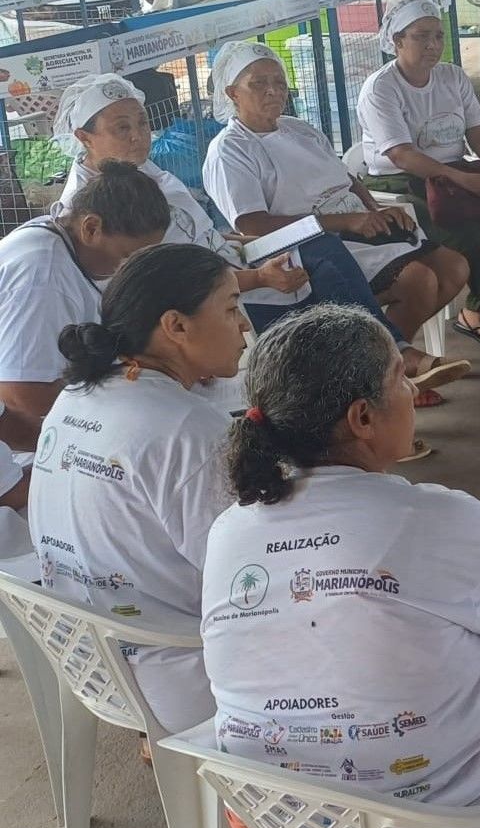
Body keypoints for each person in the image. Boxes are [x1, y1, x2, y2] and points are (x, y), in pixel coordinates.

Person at [203, 303, 480, 828]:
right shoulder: (437, 519)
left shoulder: (230, 529)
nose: (412, 390)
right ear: (362, 417)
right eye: (401, 377)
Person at [28, 242, 245, 733]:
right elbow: (245, 579)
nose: (244, 326)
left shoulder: (76, 394)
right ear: (176, 326)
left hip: (87, 661)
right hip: (179, 677)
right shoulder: (191, 431)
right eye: (232, 309)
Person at [205, 41, 472, 397]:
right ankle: (394, 368)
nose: (273, 91)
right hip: (306, 246)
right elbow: (252, 225)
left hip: (355, 226)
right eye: (259, 83)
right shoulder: (230, 149)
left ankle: (384, 372)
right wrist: (343, 222)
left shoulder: (299, 128)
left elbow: (348, 179)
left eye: (280, 83)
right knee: (418, 280)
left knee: (454, 267)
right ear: (232, 93)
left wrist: (374, 210)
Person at [357, 0, 480, 353]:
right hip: (404, 182)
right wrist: (465, 182)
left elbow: (479, 132)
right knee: (473, 238)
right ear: (397, 41)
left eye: (438, 35)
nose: (433, 45)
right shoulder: (382, 88)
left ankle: (476, 312)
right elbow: (401, 155)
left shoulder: (451, 76)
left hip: (457, 176)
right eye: (421, 36)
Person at [52, 73, 313, 325]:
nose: (138, 136)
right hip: (199, 308)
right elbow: (161, 283)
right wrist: (258, 278)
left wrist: (256, 243)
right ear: (84, 138)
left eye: (143, 123)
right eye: (122, 128)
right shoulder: (88, 209)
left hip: (228, 269)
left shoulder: (142, 168)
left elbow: (193, 231)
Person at [0, 163, 168, 476]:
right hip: (19, 446)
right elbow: (22, 393)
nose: (128, 270)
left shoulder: (66, 239)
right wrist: (104, 434)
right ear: (91, 228)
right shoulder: (43, 276)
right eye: (127, 257)